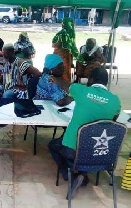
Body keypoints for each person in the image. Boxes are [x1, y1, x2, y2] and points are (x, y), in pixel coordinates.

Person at [49, 67, 121, 198]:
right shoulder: (115, 100)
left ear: (91, 79)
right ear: (106, 82)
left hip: (74, 151)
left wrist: (56, 79)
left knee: (54, 145)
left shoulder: (81, 90)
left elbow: (66, 85)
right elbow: (112, 123)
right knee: (87, 150)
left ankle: (73, 175)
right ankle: (83, 172)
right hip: (100, 152)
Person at [52, 17, 84, 83]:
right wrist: (80, 59)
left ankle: (59, 84)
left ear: (63, 25)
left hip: (58, 54)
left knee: (59, 70)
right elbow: (72, 47)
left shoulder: (60, 33)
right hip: (65, 55)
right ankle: (65, 86)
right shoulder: (70, 33)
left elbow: (54, 45)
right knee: (65, 71)